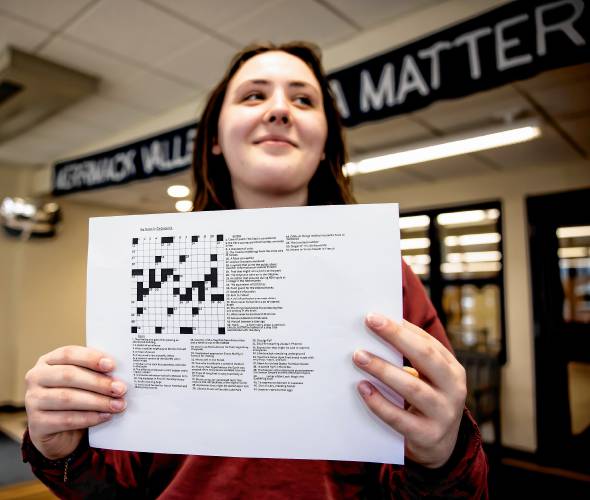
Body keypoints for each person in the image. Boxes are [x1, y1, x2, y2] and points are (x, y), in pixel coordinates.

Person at [22, 41, 488, 499]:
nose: (280, 110)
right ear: (215, 141)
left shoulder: (387, 274)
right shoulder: (159, 268)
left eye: (303, 99)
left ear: (326, 144)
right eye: (254, 95)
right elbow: (117, 486)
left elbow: (433, 478)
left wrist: (443, 455)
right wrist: (63, 450)